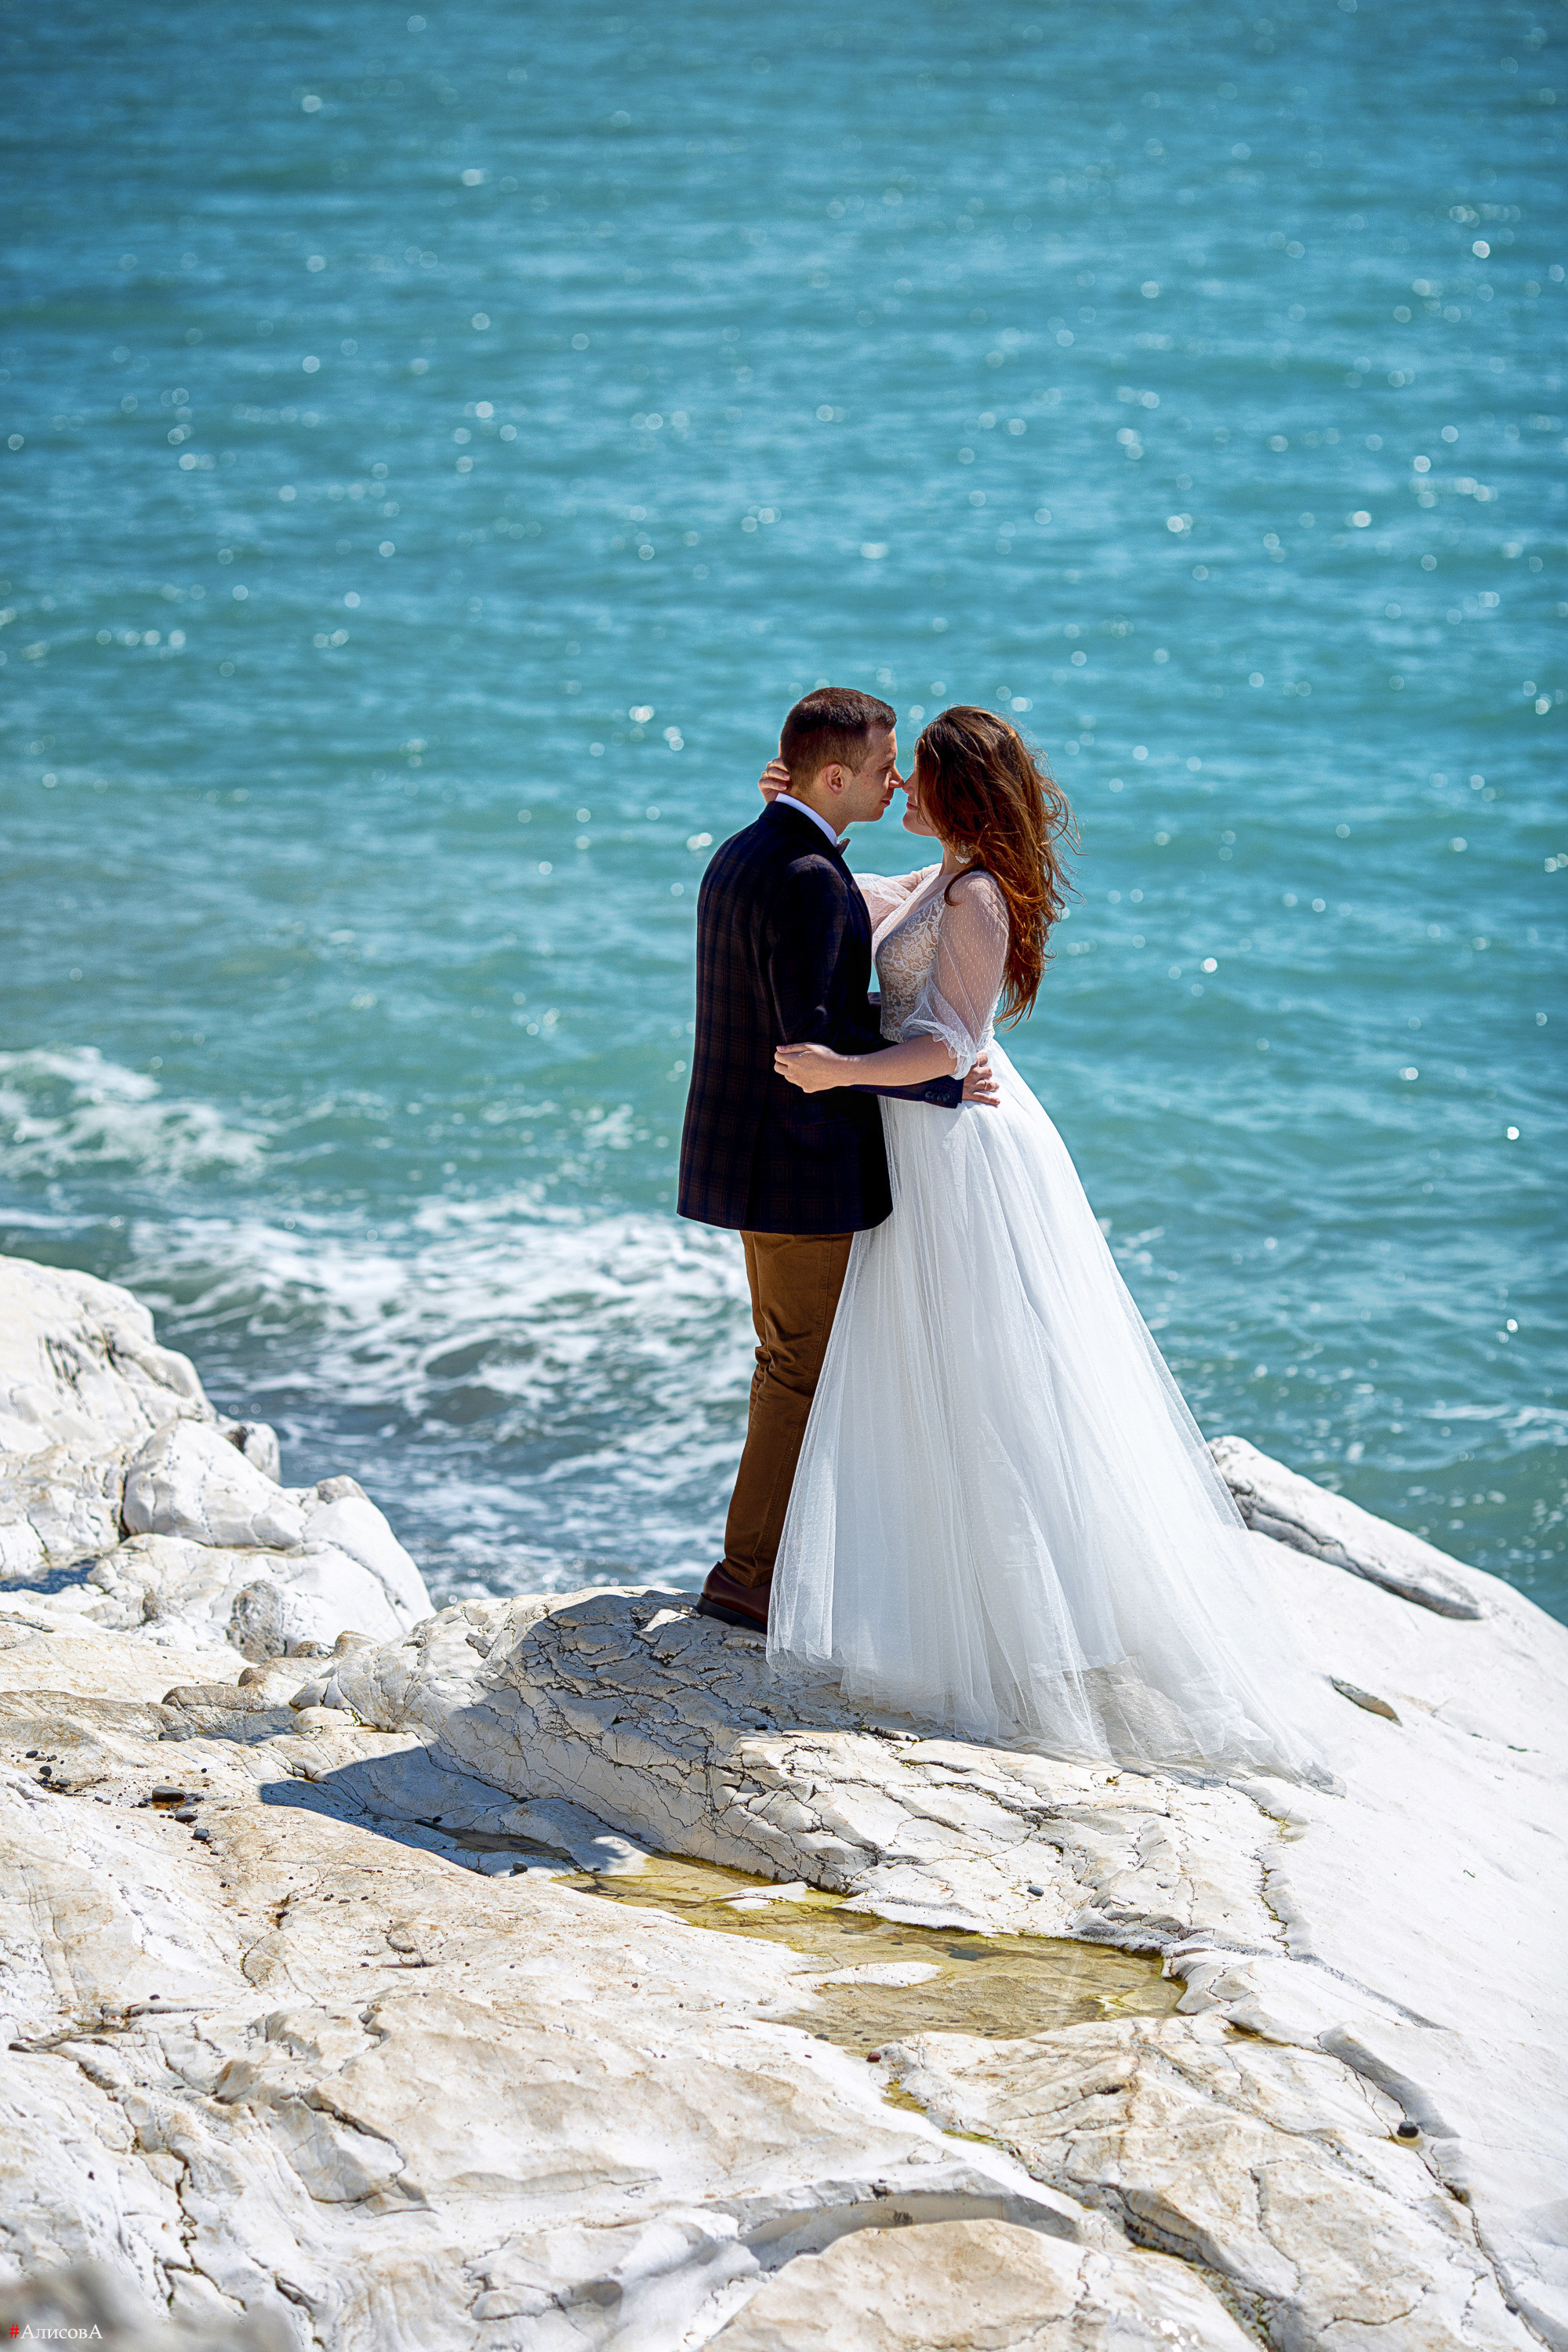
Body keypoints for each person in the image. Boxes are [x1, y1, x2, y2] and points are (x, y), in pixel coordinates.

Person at [765, 705, 1330, 1781]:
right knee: (935, 1379)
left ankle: (1029, 1635)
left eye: (916, 774)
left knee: (993, 1383)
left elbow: (946, 1044)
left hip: (963, 1154)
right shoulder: (939, 878)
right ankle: (951, 1623)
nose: (900, 786)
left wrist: (839, 1073)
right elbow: (852, 899)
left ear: (955, 792)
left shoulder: (976, 896)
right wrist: (794, 816)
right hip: (924, 1145)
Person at [677, 689, 1000, 1636]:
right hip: (796, 1167)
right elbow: (815, 1034)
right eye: (883, 767)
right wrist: (942, 1080)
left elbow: (803, 984)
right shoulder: (810, 875)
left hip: (749, 1158)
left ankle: (774, 1567)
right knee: (797, 1373)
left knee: (787, 1364)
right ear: (832, 777)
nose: (895, 781)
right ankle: (748, 1577)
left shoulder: (748, 851)